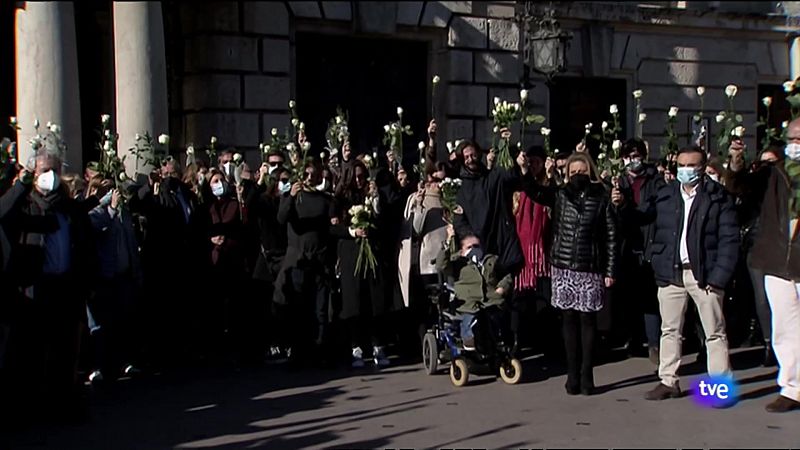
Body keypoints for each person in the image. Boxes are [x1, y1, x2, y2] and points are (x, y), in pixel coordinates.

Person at [614, 146, 738, 401]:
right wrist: (623, 204)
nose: (685, 171)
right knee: (669, 329)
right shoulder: (667, 194)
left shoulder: (717, 197)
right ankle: (668, 381)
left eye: (691, 166)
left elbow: (729, 240)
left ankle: (719, 385)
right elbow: (642, 216)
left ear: (702, 168)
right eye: (681, 165)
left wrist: (718, 277)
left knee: (713, 331)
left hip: (704, 273)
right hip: (671, 271)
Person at [528, 152, 617, 395]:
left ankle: (587, 374)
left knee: (588, 321)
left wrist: (609, 270)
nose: (578, 176)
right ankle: (571, 374)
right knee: (567, 319)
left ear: (591, 172)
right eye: (573, 172)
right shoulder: (560, 194)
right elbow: (533, 191)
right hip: (564, 265)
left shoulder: (602, 196)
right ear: (566, 174)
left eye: (582, 172)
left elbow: (610, 235)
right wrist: (527, 168)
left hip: (590, 266)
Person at [740, 118, 800, 412]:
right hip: (777, 260)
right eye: (791, 139)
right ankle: (792, 388)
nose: (795, 145)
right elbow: (743, 186)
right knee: (785, 328)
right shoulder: (775, 173)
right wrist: (736, 163)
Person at [332, 160, 396, 368]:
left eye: (362, 176)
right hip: (351, 253)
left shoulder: (373, 196)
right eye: (356, 177)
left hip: (372, 252)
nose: (359, 181)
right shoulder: (340, 199)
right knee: (354, 302)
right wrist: (351, 231)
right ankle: (356, 346)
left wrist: (375, 201)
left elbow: (384, 221)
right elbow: (332, 227)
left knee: (375, 300)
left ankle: (378, 344)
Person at [610, 138, 665, 364]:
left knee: (649, 297)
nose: (632, 161)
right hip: (626, 245)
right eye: (628, 156)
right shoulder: (619, 181)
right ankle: (632, 340)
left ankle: (653, 343)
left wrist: (624, 205)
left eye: (635, 156)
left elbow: (650, 211)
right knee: (628, 296)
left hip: (648, 242)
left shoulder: (655, 180)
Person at [275, 159, 334, 367]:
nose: (310, 178)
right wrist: (291, 196)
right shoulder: (291, 197)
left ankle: (320, 351)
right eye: (306, 174)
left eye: (314, 174)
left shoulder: (325, 199)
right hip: (298, 261)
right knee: (298, 310)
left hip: (319, 260)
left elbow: (331, 228)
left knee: (320, 310)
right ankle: (297, 353)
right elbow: (282, 219)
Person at [453, 139, 534, 280]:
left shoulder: (493, 176)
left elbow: (513, 176)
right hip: (480, 249)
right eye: (466, 157)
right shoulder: (460, 189)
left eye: (473, 155)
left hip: (502, 244)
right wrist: (470, 240)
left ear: (478, 154)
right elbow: (459, 221)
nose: (470, 160)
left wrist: (508, 145)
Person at [86, 184, 143, 383]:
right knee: (102, 325)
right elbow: (96, 229)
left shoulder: (123, 214)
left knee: (124, 321)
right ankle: (100, 365)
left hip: (124, 274)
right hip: (106, 277)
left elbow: (131, 242)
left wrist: (136, 271)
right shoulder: (96, 213)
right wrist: (109, 208)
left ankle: (125, 362)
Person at [436, 228, 511, 351]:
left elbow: (507, 275)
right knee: (471, 319)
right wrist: (448, 240)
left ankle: (498, 342)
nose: (474, 249)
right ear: (462, 250)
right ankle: (469, 339)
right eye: (470, 247)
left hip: (490, 300)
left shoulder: (491, 260)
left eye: (476, 246)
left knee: (496, 320)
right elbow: (440, 265)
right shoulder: (457, 262)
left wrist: (502, 287)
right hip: (468, 303)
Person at [398, 163, 449, 344]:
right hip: (428, 260)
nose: (440, 184)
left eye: (443, 180)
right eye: (436, 180)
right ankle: (426, 343)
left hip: (448, 258)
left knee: (447, 303)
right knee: (427, 305)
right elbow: (414, 229)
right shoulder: (416, 198)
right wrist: (419, 206)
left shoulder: (449, 197)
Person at [511, 146, 552, 355]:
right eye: (531, 161)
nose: (534, 165)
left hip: (542, 252)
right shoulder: (519, 187)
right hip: (522, 251)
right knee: (520, 299)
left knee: (542, 300)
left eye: (538, 161)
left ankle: (543, 340)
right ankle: (518, 340)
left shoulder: (548, 186)